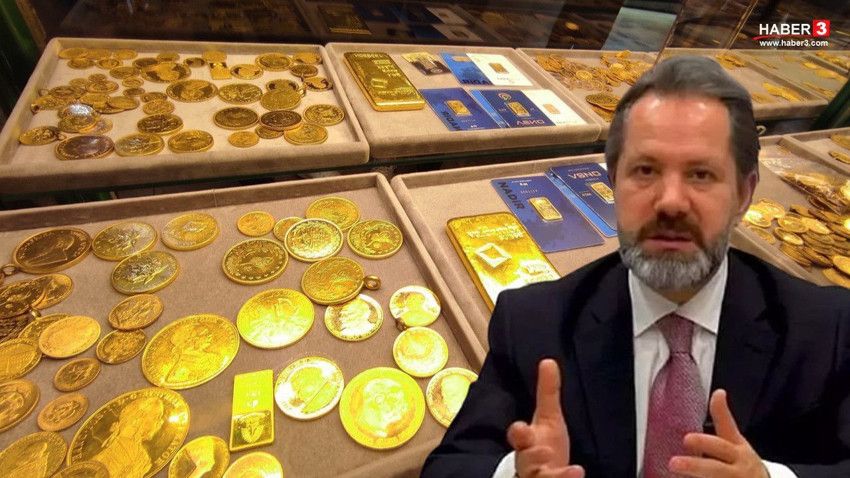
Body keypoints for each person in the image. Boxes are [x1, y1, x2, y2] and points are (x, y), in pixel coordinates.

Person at [422, 56, 850, 478]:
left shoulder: (827, 329)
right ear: (613, 182)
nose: (670, 202)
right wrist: (516, 473)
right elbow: (451, 465)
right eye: (645, 170)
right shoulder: (532, 324)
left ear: (744, 194)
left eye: (701, 175)